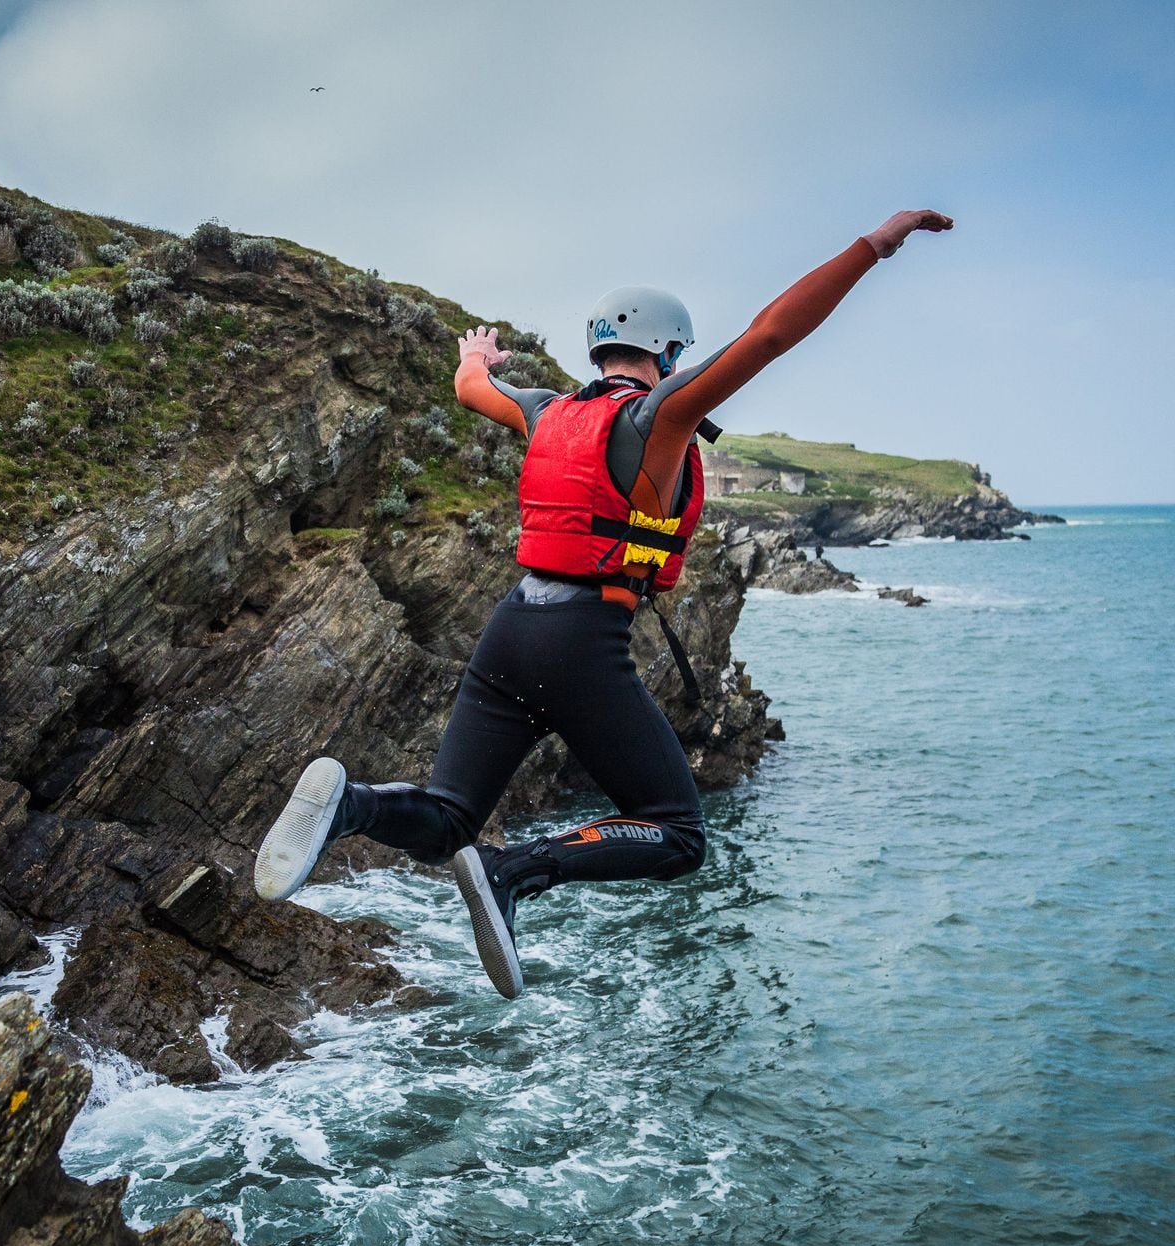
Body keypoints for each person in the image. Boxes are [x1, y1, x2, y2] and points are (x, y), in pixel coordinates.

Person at [255, 209, 954, 998]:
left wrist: (476, 354)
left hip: (509, 630)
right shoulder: (661, 416)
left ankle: (348, 803)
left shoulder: (548, 410)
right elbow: (768, 336)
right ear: (667, 352)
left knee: (449, 816)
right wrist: (875, 245)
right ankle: (515, 870)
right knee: (680, 833)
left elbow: (467, 385)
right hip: (582, 642)